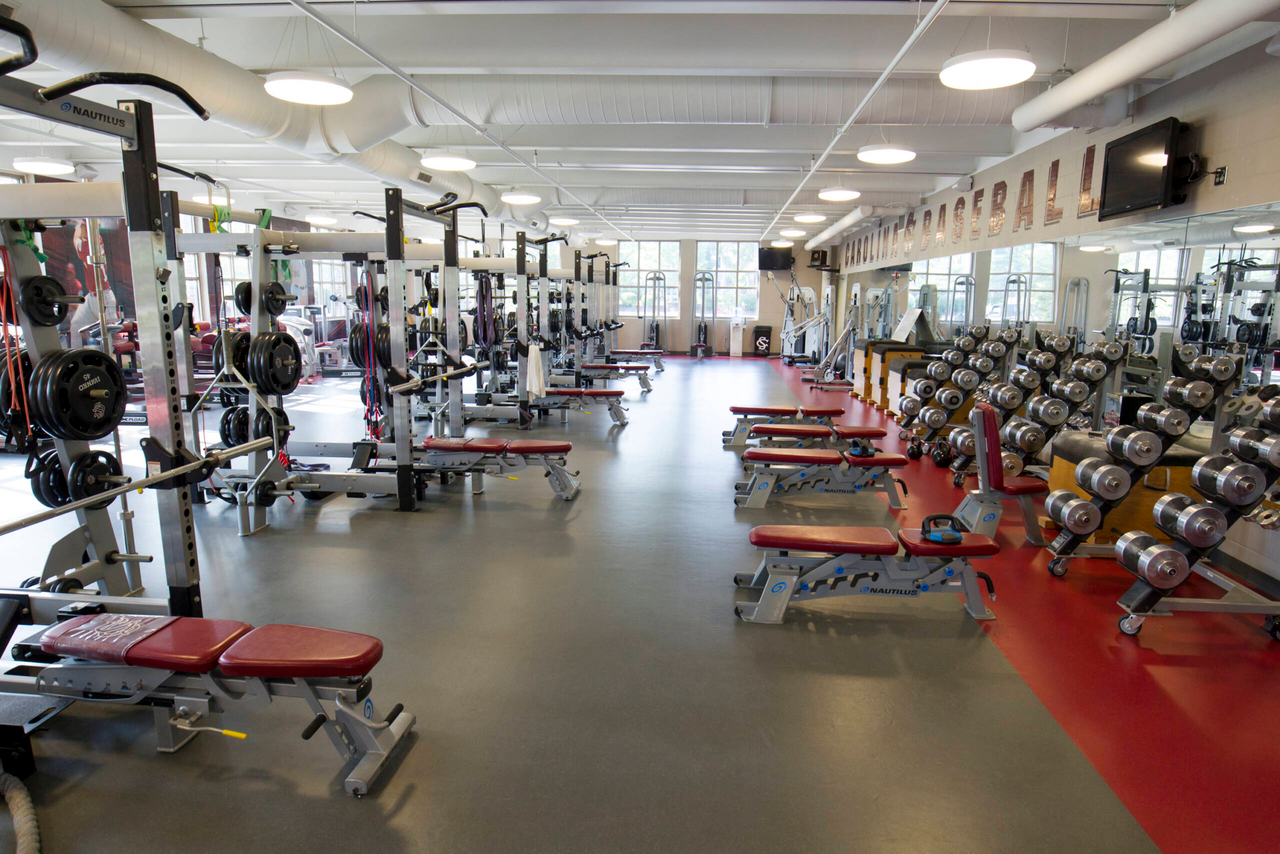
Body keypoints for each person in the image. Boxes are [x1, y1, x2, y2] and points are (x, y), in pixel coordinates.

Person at [69, 221, 119, 347]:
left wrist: (78, 227)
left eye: (82, 227)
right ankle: (76, 357)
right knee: (75, 325)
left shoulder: (90, 246)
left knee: (111, 339)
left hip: (103, 297)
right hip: (92, 297)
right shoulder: (94, 240)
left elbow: (76, 240)